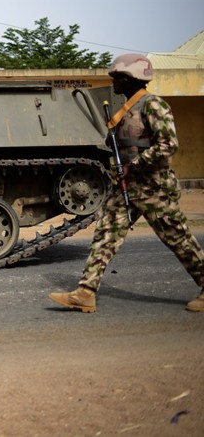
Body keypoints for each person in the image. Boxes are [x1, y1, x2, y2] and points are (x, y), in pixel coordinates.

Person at [49, 53, 204, 313]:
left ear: (133, 78)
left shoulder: (153, 105)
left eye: (118, 76)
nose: (114, 80)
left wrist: (136, 164)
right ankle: (86, 292)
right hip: (127, 188)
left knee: (179, 240)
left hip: (155, 189)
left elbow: (168, 145)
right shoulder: (124, 110)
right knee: (106, 234)